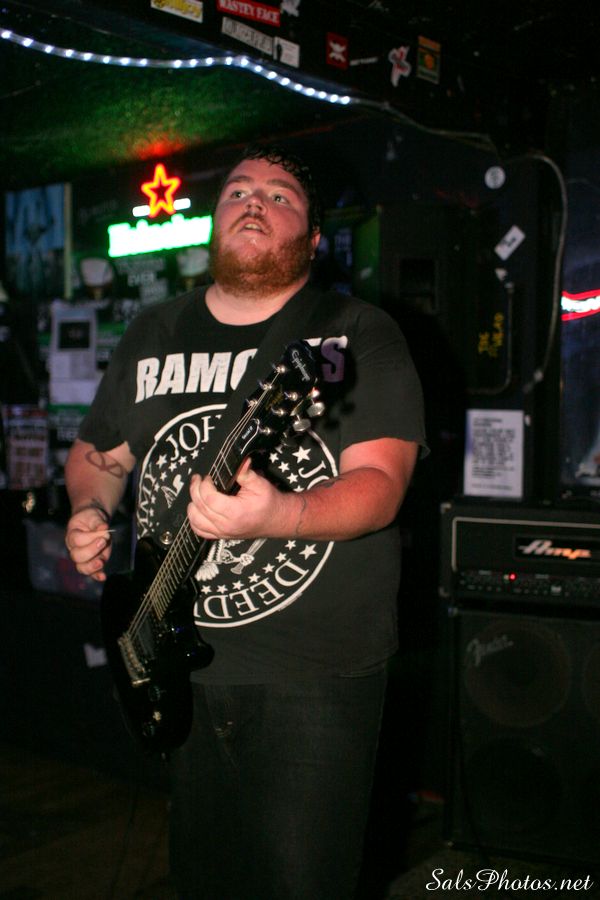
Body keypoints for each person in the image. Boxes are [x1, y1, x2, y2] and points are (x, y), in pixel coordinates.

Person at [64, 144, 427, 900]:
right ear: (214, 220)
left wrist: (282, 512)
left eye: (279, 194)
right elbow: (99, 454)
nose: (254, 201)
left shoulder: (353, 332)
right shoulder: (154, 330)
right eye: (237, 190)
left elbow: (381, 486)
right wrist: (89, 508)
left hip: (314, 676)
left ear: (314, 237)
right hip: (175, 662)